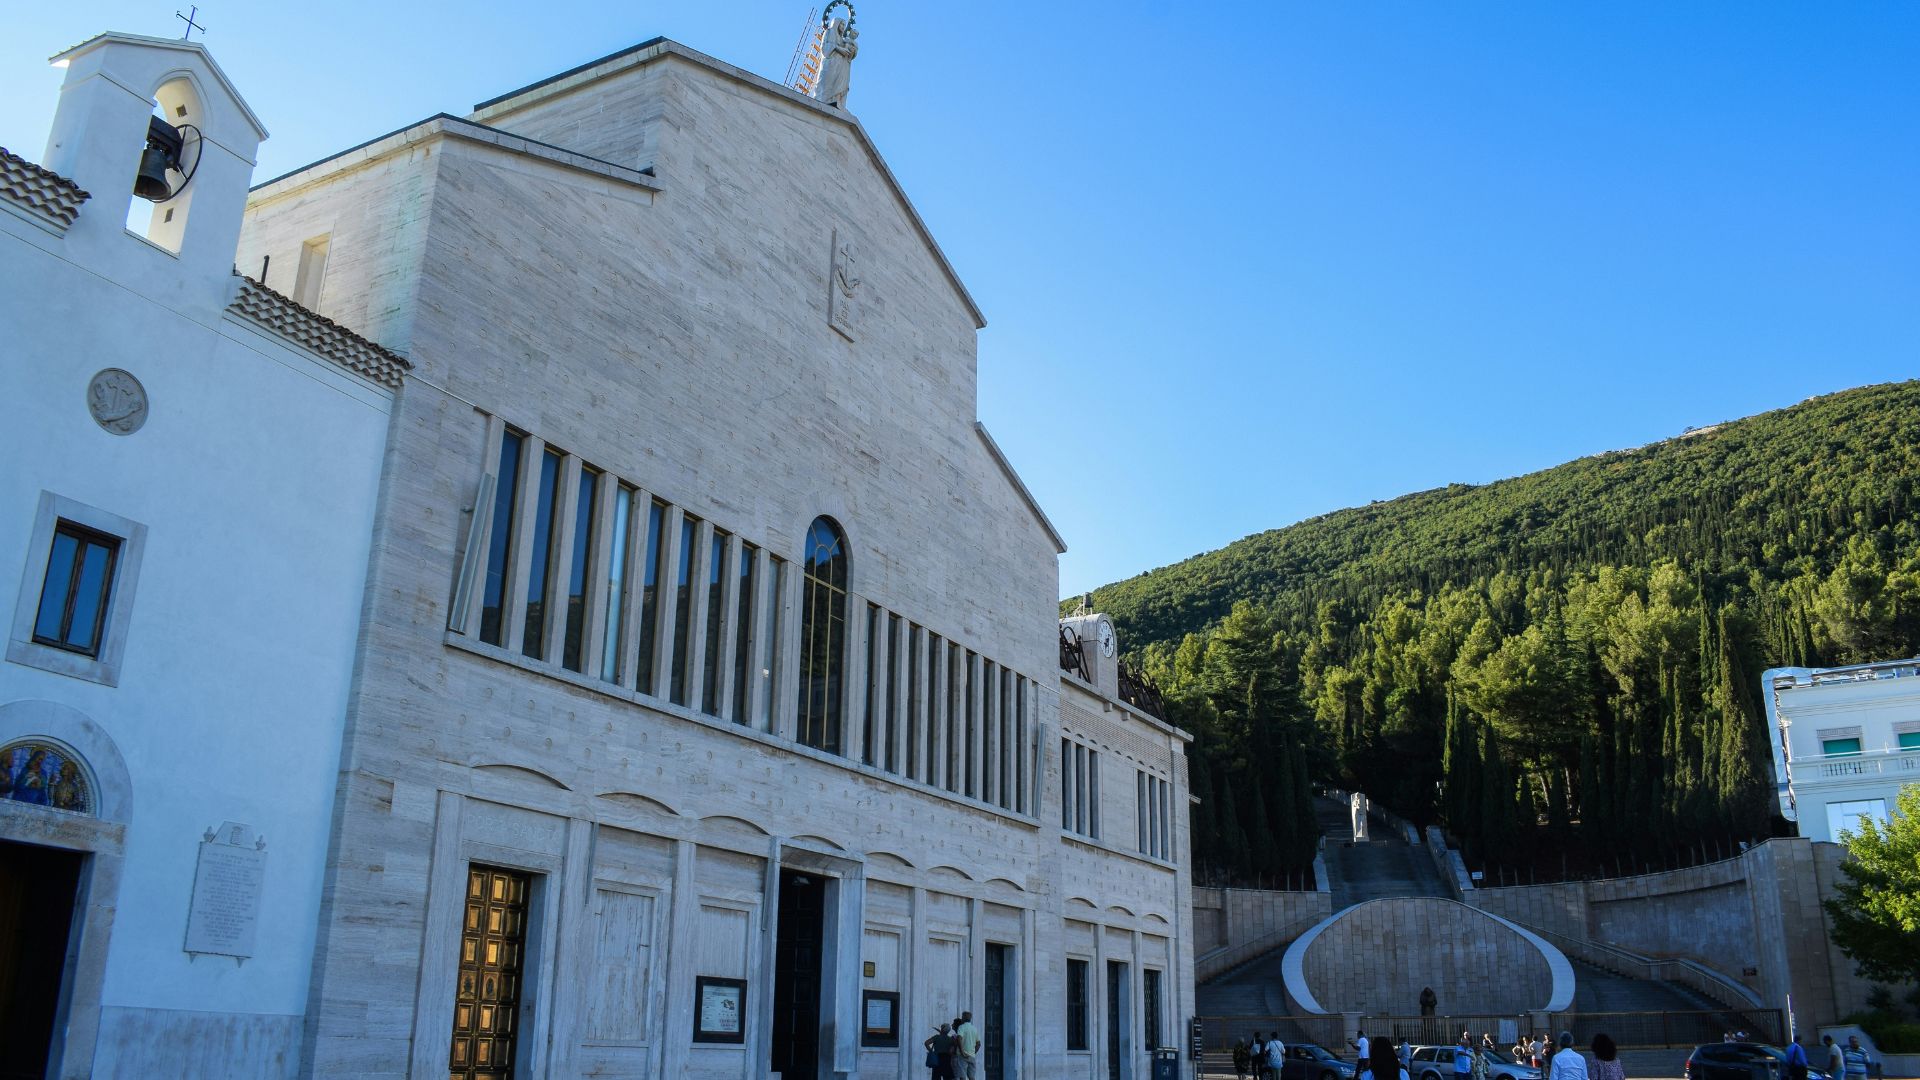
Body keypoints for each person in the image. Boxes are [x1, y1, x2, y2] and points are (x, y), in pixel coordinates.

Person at [954, 1011, 981, 1079]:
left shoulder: (961, 1027)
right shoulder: (974, 1029)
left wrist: (962, 1051)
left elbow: (959, 1038)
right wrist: (973, 1052)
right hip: (971, 1056)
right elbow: (978, 1044)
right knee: (972, 1077)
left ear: (963, 1018)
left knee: (962, 1077)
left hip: (962, 1056)